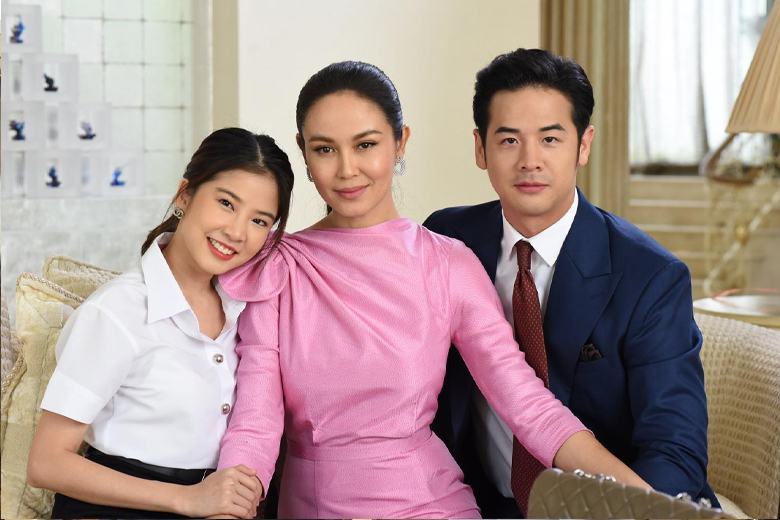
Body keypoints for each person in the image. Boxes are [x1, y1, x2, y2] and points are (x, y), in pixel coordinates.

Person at [217, 61, 651, 519]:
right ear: (304, 153)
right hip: (315, 506)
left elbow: (527, 405)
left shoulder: (447, 263)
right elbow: (255, 424)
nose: (347, 169)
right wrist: (226, 508)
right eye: (325, 149)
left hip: (432, 504)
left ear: (400, 142)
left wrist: (647, 502)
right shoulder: (277, 267)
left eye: (366, 145)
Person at [423, 48, 717, 518]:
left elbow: (675, 452)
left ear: (583, 145)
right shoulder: (446, 240)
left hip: (606, 510)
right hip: (476, 505)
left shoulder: (650, 276)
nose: (530, 161)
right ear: (480, 148)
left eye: (550, 139)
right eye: (509, 140)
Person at [26, 128, 295, 519]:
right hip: (114, 508)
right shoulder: (117, 311)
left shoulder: (247, 310)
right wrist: (187, 499)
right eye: (225, 203)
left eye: (258, 220)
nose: (237, 232)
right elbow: (46, 463)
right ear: (185, 194)